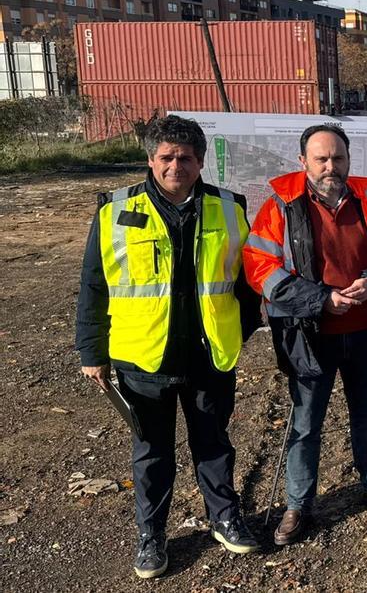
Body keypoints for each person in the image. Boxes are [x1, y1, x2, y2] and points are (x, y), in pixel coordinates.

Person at [76, 115, 262, 578]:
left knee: (214, 444)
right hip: (143, 357)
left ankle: (224, 517)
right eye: (166, 156)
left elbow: (247, 281)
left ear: (200, 163)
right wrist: (91, 352)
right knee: (152, 452)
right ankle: (151, 535)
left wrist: (243, 328)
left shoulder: (229, 207)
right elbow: (93, 288)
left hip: (208, 353)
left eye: (185, 157)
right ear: (150, 159)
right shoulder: (114, 211)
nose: (175, 164)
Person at [243, 124, 367, 547]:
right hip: (310, 335)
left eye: (337, 157)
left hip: (364, 331)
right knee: (305, 424)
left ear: (348, 159)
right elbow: (259, 265)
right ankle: (298, 504)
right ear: (303, 162)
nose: (330, 166)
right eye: (321, 158)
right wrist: (320, 299)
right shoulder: (281, 206)